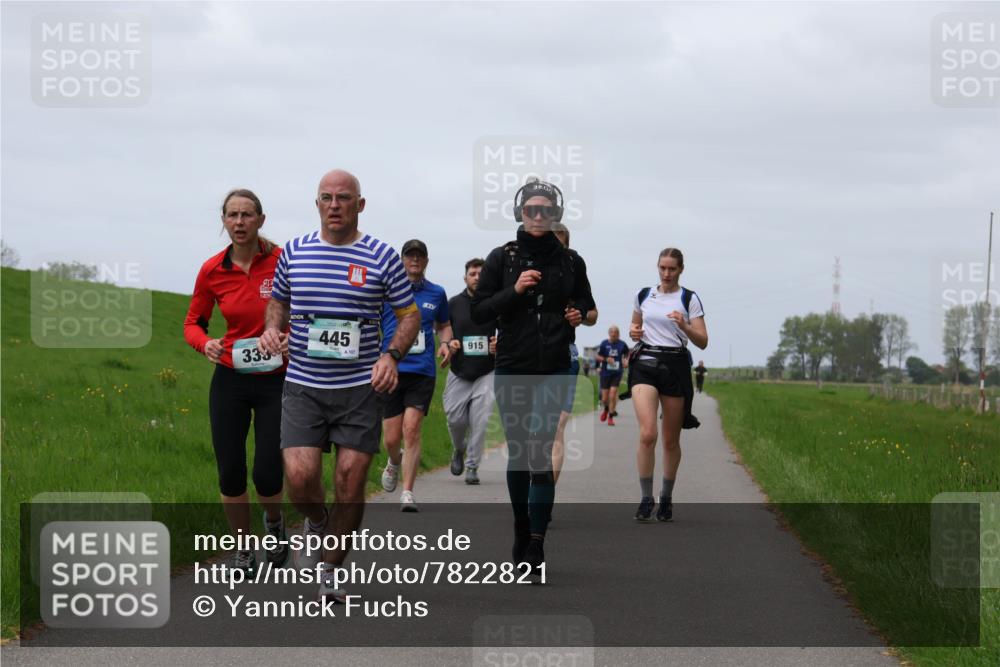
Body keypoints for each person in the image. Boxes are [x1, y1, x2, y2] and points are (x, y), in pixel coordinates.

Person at [258, 169, 420, 602]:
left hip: (360, 387)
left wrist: (391, 355)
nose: (334, 205)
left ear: (359, 205)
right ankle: (317, 518)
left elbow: (408, 315)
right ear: (317, 205)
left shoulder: (382, 257)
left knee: (350, 478)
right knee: (299, 477)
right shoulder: (294, 252)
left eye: (343, 198)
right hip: (303, 385)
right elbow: (278, 302)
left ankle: (330, 570)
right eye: (326, 197)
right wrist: (273, 330)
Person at [471, 178, 595, 577]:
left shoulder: (571, 261)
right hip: (512, 364)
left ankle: (537, 545)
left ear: (555, 215)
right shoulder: (501, 258)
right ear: (520, 214)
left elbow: (588, 307)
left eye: (546, 210)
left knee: (540, 453)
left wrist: (578, 314)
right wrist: (517, 291)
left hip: (556, 365)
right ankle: (521, 528)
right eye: (531, 210)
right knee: (520, 451)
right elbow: (480, 312)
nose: (538, 216)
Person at [184, 188, 288, 574]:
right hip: (229, 378)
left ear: (261, 220)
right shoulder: (212, 270)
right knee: (230, 471)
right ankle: (243, 550)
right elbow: (192, 322)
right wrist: (205, 343)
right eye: (232, 215)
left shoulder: (282, 261)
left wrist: (293, 337)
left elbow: (310, 305)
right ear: (224, 222)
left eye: (247, 215)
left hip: (276, 379)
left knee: (267, 471)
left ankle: (275, 527)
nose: (240, 222)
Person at [629, 247, 707, 523]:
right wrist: (633, 331)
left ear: (680, 270)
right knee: (648, 434)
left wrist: (684, 325)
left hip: (675, 366)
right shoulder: (644, 294)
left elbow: (702, 341)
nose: (666, 273)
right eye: (662, 267)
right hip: (645, 363)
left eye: (672, 268)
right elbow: (635, 326)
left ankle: (666, 497)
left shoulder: (688, 298)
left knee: (671, 440)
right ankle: (646, 497)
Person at [378, 239, 453, 511]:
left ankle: (407, 492)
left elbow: (444, 325)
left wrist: (445, 343)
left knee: (412, 430)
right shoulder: (387, 293)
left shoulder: (436, 293)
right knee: (391, 438)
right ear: (402, 260)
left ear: (426, 261)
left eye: (420, 256)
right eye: (410, 256)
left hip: (422, 371)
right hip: (392, 371)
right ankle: (393, 461)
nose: (415, 260)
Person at [442, 258, 498, 485]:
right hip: (459, 370)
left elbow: (506, 331)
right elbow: (443, 330)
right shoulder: (453, 304)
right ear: (465, 277)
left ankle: (473, 466)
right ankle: (459, 449)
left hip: (486, 371)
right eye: (472, 273)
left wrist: (498, 343)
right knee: (455, 420)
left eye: (480, 274)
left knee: (481, 420)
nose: (477, 277)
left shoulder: (495, 303)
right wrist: (450, 343)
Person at [552, 223, 597, 482]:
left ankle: (545, 498)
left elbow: (593, 312)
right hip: (530, 355)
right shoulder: (527, 270)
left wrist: (580, 316)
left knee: (557, 426)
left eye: (559, 241)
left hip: (564, 354)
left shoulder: (574, 271)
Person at [596, 326, 629, 426]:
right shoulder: (604, 344)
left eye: (615, 332)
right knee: (604, 399)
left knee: (613, 394)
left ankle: (610, 417)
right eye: (612, 332)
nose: (613, 334)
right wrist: (606, 359)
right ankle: (606, 409)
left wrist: (625, 361)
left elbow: (628, 354)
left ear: (618, 334)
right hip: (605, 373)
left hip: (617, 372)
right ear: (609, 333)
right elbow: (598, 356)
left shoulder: (622, 344)